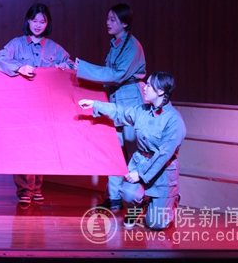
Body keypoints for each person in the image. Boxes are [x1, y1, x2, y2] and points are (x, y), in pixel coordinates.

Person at [78, 72, 186, 230]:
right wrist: (95, 104)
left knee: (156, 224)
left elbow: (163, 155)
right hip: (140, 162)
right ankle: (138, 207)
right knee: (128, 194)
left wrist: (140, 174)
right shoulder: (142, 110)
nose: (144, 88)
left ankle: (171, 200)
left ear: (161, 91)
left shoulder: (174, 120)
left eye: (149, 85)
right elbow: (120, 112)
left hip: (162, 173)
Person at [0, 3, 75, 205]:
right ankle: (24, 190)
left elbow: (71, 64)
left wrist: (62, 66)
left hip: (45, 106)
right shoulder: (17, 44)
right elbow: (0, 58)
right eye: (34, 20)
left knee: (41, 145)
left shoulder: (54, 48)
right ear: (28, 21)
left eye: (42, 21)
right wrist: (19, 67)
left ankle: (37, 188)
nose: (38, 25)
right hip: (21, 105)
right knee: (22, 146)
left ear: (47, 23)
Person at [74, 3, 146, 211]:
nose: (108, 22)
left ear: (125, 23)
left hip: (130, 98)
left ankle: (138, 198)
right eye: (108, 18)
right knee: (115, 149)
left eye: (113, 19)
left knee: (133, 150)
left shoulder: (132, 46)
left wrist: (83, 68)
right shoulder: (116, 43)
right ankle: (113, 197)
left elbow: (117, 75)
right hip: (116, 97)